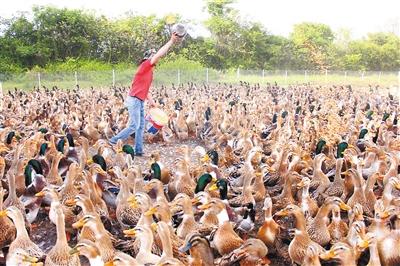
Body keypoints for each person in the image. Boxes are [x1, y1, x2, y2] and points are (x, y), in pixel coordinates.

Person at [109, 32, 180, 155]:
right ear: (148, 57)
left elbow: (145, 89)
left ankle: (138, 151)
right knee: (134, 126)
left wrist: (152, 102)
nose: (156, 57)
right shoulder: (145, 65)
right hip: (134, 100)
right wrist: (171, 41)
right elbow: (159, 54)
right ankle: (114, 141)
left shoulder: (149, 72)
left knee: (140, 126)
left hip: (139, 100)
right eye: (153, 55)